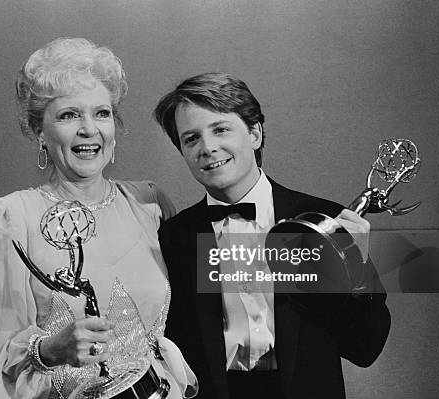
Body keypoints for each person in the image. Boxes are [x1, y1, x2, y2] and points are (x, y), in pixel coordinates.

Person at [0, 38, 197, 399]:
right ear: (39, 132)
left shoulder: (149, 203)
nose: (89, 129)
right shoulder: (11, 217)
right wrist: (50, 349)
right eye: (68, 115)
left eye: (101, 113)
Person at [153, 72, 390, 399]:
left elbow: (366, 348)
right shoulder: (174, 238)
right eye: (191, 138)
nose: (207, 147)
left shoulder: (323, 220)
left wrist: (356, 269)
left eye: (221, 129)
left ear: (254, 133)